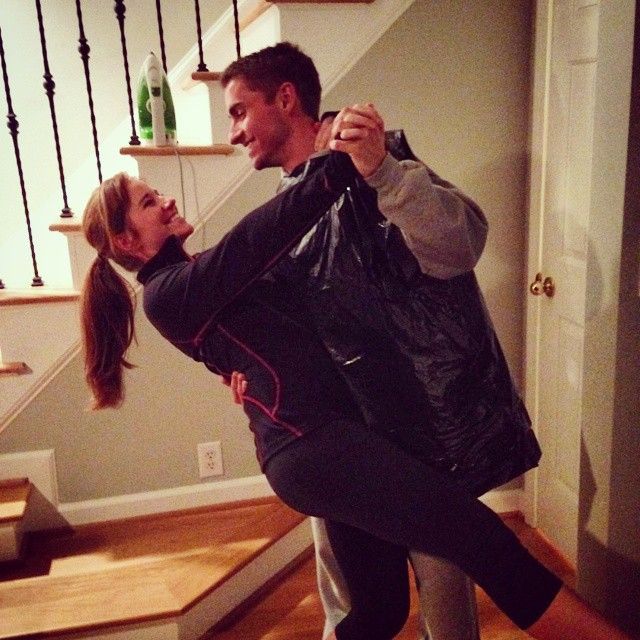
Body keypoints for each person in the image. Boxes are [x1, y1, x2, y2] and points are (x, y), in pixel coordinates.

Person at [79, 153, 631, 640]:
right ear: (128, 240)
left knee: (380, 610)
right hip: (311, 448)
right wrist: (340, 162)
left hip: (329, 443)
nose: (167, 199)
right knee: (480, 536)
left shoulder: (197, 276)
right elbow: (258, 237)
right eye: (149, 202)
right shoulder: (166, 294)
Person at [219, 42, 534, 640]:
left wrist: (383, 171)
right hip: (341, 435)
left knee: (446, 589)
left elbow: (460, 244)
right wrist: (248, 370)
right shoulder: (289, 206)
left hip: (425, 431)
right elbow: (296, 321)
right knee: (348, 596)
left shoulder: (372, 156)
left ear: (285, 99)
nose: (233, 133)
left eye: (239, 111)